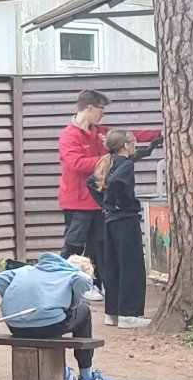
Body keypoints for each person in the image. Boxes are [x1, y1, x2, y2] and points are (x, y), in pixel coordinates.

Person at [56, 89, 160, 301]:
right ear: (89, 108)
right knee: (74, 245)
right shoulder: (69, 135)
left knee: (100, 245)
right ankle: (60, 284)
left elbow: (128, 136)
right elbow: (76, 163)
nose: (103, 114)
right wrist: (110, 160)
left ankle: (96, 283)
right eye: (101, 110)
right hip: (77, 201)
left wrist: (158, 134)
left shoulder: (102, 132)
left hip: (100, 200)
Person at [0, 250, 114, 380]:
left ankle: (63, 370)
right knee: (82, 312)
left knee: (56, 313)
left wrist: (14, 301)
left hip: (16, 326)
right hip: (49, 326)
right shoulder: (73, 273)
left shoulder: (28, 269)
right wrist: (73, 303)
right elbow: (83, 279)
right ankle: (87, 375)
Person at [88, 129, 151, 329]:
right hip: (125, 219)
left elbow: (91, 183)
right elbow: (116, 183)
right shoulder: (126, 164)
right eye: (133, 141)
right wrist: (119, 203)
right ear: (125, 144)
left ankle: (113, 313)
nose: (135, 145)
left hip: (111, 221)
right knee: (132, 266)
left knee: (114, 266)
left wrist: (105, 204)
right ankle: (128, 314)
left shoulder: (108, 162)